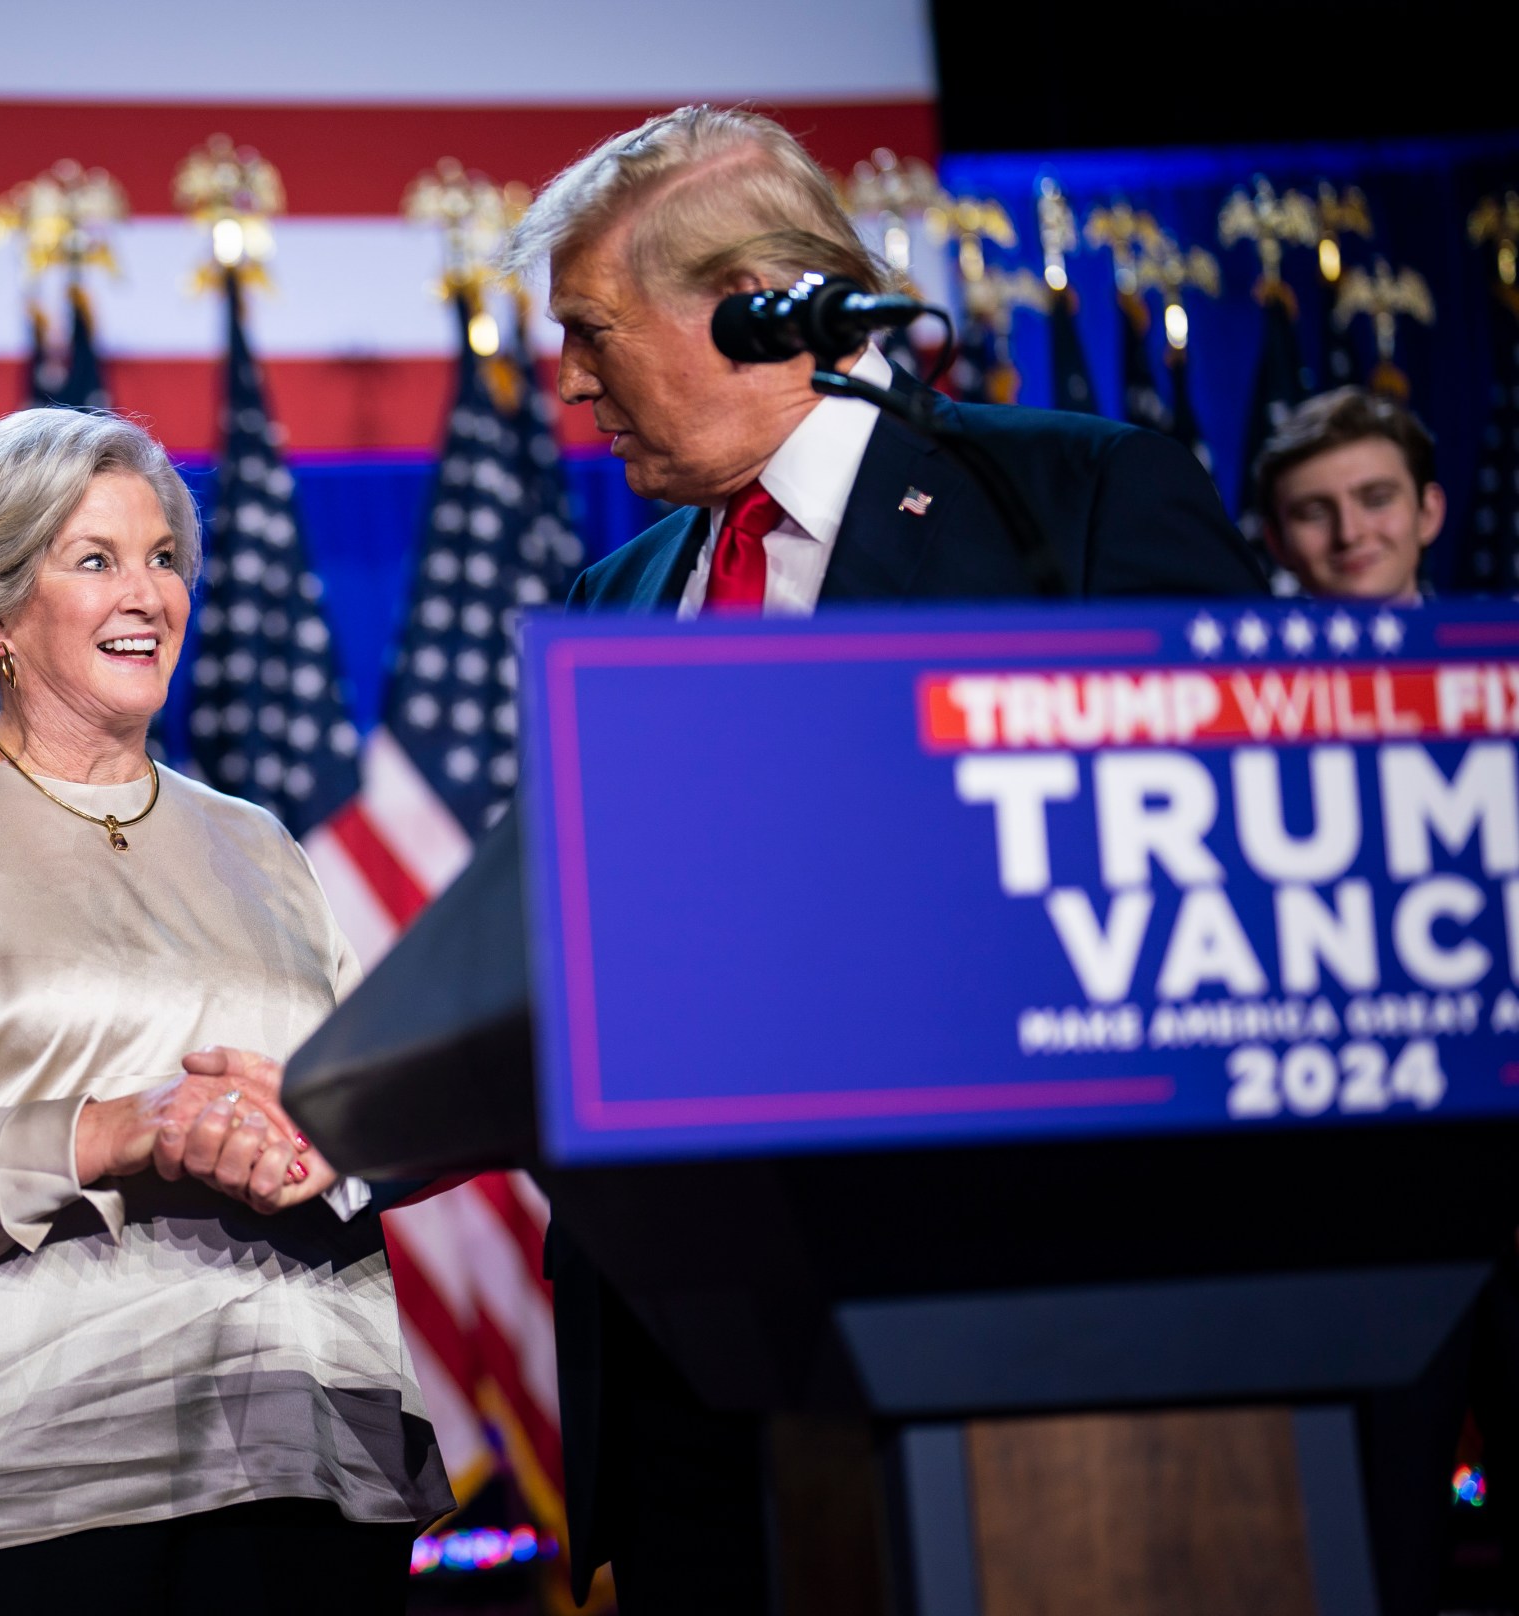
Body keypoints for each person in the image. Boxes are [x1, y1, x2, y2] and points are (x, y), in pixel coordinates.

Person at [501, 104, 1268, 1610]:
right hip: (685, 1381)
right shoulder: (612, 596)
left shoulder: (1067, 506)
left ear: (759, 314)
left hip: (1012, 1336)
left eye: (593, 329)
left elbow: (1217, 876)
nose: (571, 378)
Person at [0, 407, 450, 1615]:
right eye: (96, 558)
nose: (149, 591)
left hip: (305, 1454)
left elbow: (366, 1098)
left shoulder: (259, 843)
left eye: (163, 555)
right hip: (22, 1482)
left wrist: (322, 1136)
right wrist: (110, 1130)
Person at [1252, 386, 1445, 601]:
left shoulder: (1480, 633)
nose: (1348, 534)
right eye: (1314, 513)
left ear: (1427, 514)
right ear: (1277, 543)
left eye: (1377, 501)